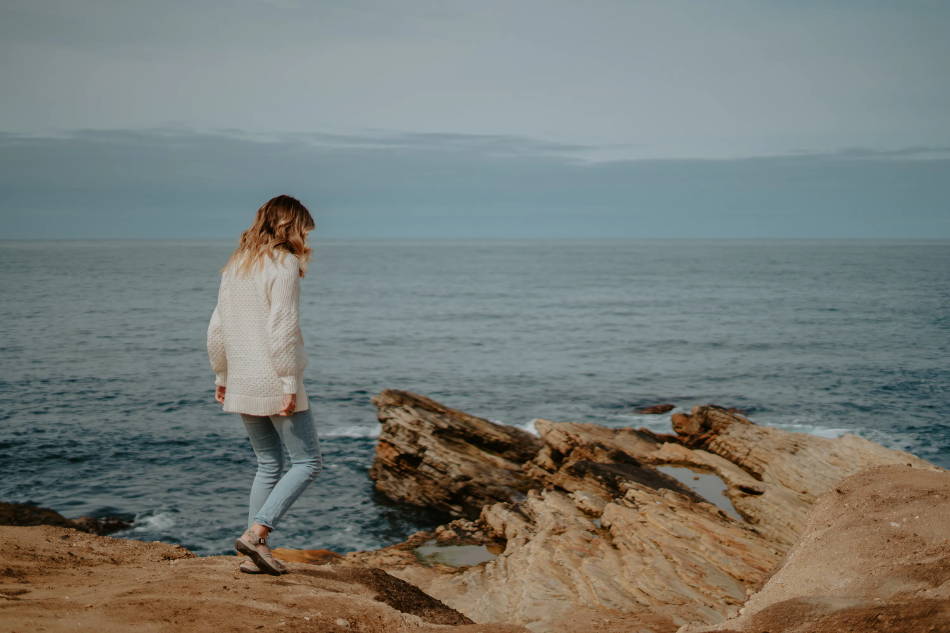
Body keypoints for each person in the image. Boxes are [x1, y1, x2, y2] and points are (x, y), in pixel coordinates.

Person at [206, 194, 323, 576]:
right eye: (305, 229)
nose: (307, 237)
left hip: (242, 376)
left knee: (268, 463)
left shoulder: (235, 265)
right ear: (290, 226)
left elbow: (217, 329)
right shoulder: (284, 263)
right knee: (307, 461)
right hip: (274, 376)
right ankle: (256, 534)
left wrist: (222, 375)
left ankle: (252, 554)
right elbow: (282, 326)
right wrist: (289, 381)